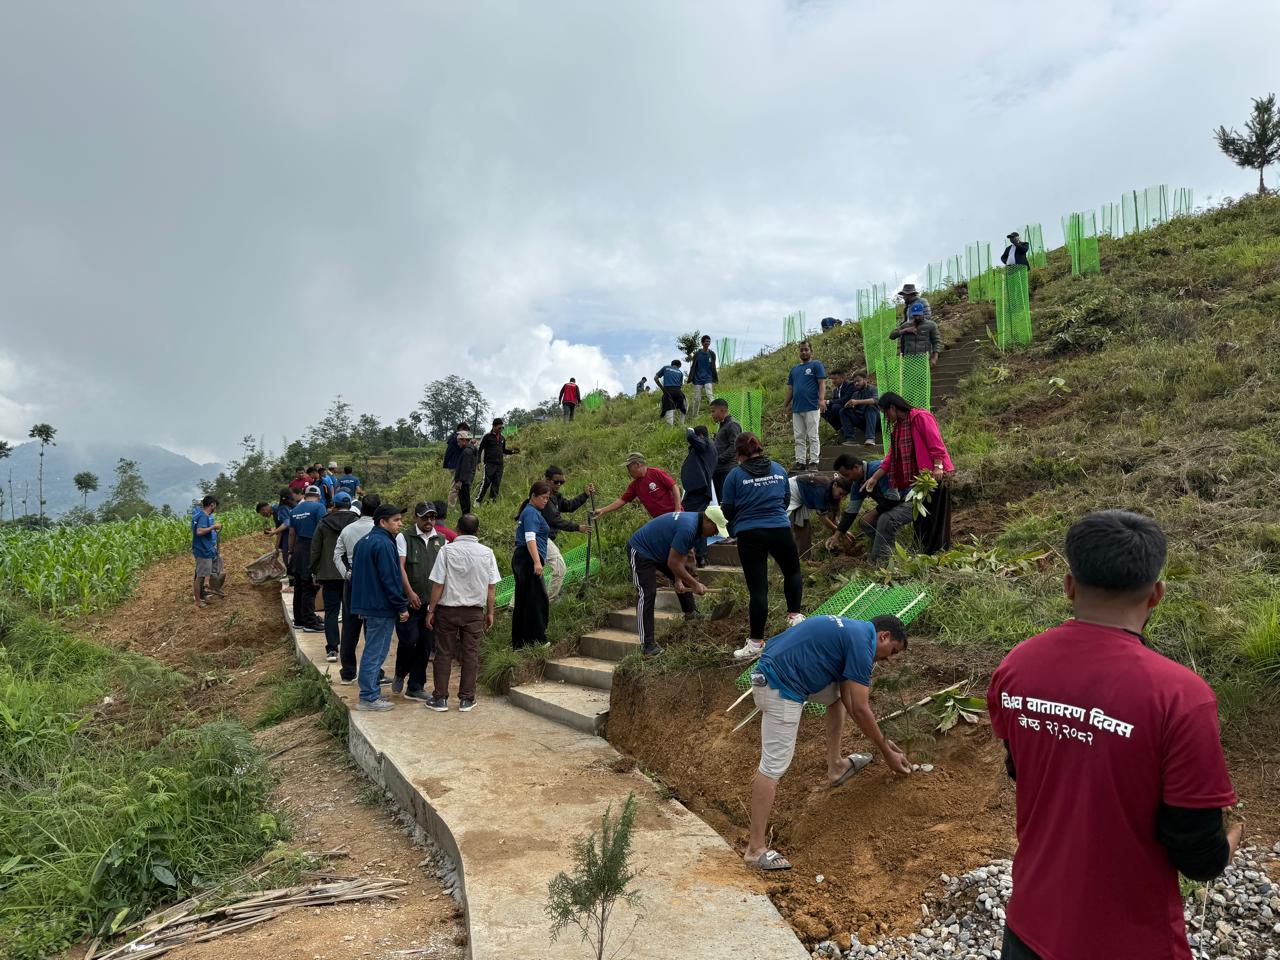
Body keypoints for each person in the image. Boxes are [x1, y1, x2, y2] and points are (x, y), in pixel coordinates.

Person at [987, 511, 1240, 960]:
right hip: (1131, 941)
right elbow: (1198, 855)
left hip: (1028, 926)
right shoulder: (1181, 697)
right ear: (1156, 595)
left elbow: (1020, 767)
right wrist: (1227, 843)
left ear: (1069, 585)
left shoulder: (1016, 668)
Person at [744, 614, 912, 871]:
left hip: (777, 673)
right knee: (773, 766)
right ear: (884, 636)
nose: (887, 659)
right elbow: (861, 709)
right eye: (891, 651)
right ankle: (755, 849)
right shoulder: (862, 643)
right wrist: (886, 751)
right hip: (781, 686)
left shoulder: (853, 631)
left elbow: (846, 696)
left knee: (833, 697)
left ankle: (836, 766)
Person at [721, 433, 805, 661]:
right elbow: (786, 500)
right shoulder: (778, 469)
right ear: (759, 447)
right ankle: (794, 617)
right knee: (792, 571)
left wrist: (744, 516)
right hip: (780, 528)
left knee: (758, 589)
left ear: (739, 453)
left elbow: (727, 511)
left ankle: (756, 642)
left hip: (750, 533)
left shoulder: (735, 476)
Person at [861, 392, 954, 558]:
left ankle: (938, 552)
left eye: (885, 413)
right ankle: (923, 551)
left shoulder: (920, 417)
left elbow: (936, 442)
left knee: (934, 516)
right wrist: (874, 478)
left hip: (933, 476)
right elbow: (891, 457)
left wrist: (938, 466)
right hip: (918, 481)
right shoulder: (898, 428)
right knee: (921, 517)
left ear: (893, 407)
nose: (886, 417)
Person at [627, 507, 728, 656]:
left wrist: (678, 579)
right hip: (642, 550)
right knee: (647, 593)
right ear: (708, 520)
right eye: (715, 528)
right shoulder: (688, 528)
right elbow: (673, 563)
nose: (715, 533)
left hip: (661, 550)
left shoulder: (696, 527)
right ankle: (647, 645)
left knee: (685, 575)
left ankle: (691, 613)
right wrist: (695, 584)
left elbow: (680, 557)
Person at [426, 513, 501, 712]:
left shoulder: (446, 551)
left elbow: (438, 584)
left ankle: (440, 698)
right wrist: (490, 612)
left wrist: (431, 610)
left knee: (443, 653)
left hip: (447, 611)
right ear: (477, 531)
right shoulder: (487, 552)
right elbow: (491, 588)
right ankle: (467, 699)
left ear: (457, 529)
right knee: (470, 654)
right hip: (475, 612)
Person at [349, 504, 410, 711]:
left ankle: (370, 692)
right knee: (375, 651)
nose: (400, 524)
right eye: (396, 520)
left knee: (372, 649)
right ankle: (369, 696)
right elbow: (390, 579)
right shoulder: (384, 544)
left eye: (400, 520)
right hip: (380, 606)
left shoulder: (363, 542)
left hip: (367, 604)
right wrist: (401, 606)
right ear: (382, 522)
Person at [390, 502, 447, 701]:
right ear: (416, 518)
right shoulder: (404, 537)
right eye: (425, 518)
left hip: (430, 603)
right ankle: (400, 672)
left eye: (432, 518)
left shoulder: (441, 540)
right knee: (408, 640)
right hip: (408, 601)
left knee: (425, 645)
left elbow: (443, 572)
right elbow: (401, 567)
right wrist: (410, 592)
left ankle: (415, 686)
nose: (429, 521)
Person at [334, 492, 380, 683]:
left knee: (350, 628)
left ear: (360, 509)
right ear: (378, 509)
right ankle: (373, 673)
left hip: (352, 581)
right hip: (374, 582)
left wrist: (347, 574)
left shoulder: (348, 530)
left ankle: (348, 672)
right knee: (373, 629)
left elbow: (337, 555)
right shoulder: (380, 530)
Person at [311, 490, 360, 662]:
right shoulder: (356, 522)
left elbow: (315, 548)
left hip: (329, 574)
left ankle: (332, 649)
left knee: (331, 612)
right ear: (349, 505)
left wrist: (314, 569)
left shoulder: (324, 523)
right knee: (349, 614)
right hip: (351, 574)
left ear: (333, 505)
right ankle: (348, 650)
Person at [827, 453, 901, 557]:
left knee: (884, 519)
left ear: (856, 467)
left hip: (908, 500)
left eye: (847, 475)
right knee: (865, 522)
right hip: (892, 504)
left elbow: (894, 498)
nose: (847, 479)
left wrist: (875, 512)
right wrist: (837, 535)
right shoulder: (857, 483)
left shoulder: (877, 470)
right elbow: (851, 512)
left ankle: (881, 556)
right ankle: (885, 550)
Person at [540, 466, 595, 601]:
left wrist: (585, 495)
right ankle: (548, 601)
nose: (559, 485)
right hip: (540, 537)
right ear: (547, 480)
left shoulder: (554, 496)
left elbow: (569, 506)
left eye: (562, 482)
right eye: (556, 482)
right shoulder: (544, 497)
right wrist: (577, 527)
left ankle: (514, 605)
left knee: (530, 572)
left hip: (539, 538)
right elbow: (555, 520)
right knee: (559, 568)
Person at [511, 481, 553, 649]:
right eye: (543, 497)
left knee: (524, 600)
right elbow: (530, 538)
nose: (545, 501)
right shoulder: (531, 513)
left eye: (548, 498)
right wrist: (536, 561)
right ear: (533, 496)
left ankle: (520, 642)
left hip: (523, 559)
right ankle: (537, 639)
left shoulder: (531, 512)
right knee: (537, 600)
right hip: (528, 559)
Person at [593, 453, 679, 520]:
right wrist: (602, 510)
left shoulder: (656, 473)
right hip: (660, 521)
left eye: (629, 467)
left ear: (637, 464)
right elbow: (622, 500)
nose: (628, 471)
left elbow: (674, 486)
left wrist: (677, 509)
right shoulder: (634, 485)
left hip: (675, 515)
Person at [288, 485, 328, 632]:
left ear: (305, 496)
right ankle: (310, 623)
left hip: (298, 549)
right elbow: (322, 530)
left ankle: (299, 620)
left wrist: (290, 552)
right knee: (310, 586)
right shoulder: (319, 508)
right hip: (312, 548)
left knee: (299, 586)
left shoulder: (295, 510)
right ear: (318, 496)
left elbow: (292, 534)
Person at [783, 340, 826, 471]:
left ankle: (814, 461)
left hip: (812, 406)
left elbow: (822, 383)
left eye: (806, 349)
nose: (804, 352)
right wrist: (785, 405)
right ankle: (800, 461)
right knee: (799, 437)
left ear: (811, 351)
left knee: (813, 435)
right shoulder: (794, 369)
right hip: (797, 408)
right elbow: (790, 388)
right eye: (801, 350)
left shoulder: (816, 364)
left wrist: (821, 399)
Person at [680, 426, 717, 566]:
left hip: (698, 490)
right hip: (698, 490)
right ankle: (699, 556)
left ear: (700, 436)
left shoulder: (706, 444)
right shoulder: (706, 448)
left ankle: (699, 556)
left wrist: (690, 431)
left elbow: (691, 437)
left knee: (694, 522)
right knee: (697, 521)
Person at [888, 284, 940, 368]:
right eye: (903, 295)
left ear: (910, 294)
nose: (903, 297)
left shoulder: (922, 302)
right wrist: (906, 329)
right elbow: (893, 334)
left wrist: (916, 327)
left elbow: (936, 340)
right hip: (909, 353)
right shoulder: (908, 307)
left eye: (904, 295)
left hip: (923, 354)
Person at [476, 418, 519, 504]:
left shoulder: (502, 438)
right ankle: (478, 501)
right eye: (499, 428)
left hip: (499, 465)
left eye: (502, 428)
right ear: (494, 426)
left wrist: (512, 452)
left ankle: (492, 502)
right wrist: (478, 462)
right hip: (489, 464)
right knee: (486, 483)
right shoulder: (487, 436)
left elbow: (503, 450)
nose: (501, 429)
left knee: (496, 484)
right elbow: (480, 449)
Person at [191, 495, 223, 608]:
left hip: (205, 548)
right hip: (202, 550)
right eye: (215, 506)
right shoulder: (203, 516)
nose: (215, 508)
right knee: (200, 576)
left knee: (202, 574)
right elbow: (199, 532)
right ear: (212, 504)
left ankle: (204, 592)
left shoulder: (200, 514)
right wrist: (213, 527)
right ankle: (198, 601)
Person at [710, 398, 742, 500]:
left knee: (725, 501)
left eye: (713, 411)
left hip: (727, 469)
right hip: (719, 469)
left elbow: (735, 446)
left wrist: (718, 458)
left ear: (723, 410)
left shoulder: (732, 425)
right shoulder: (723, 426)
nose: (712, 414)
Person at [840, 372, 880, 447]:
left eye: (858, 381)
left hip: (876, 421)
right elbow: (853, 405)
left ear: (865, 380)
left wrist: (857, 402)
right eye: (854, 382)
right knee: (843, 411)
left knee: (870, 408)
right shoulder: (856, 394)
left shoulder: (873, 389)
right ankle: (851, 439)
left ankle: (870, 438)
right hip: (863, 422)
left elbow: (875, 400)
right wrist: (849, 405)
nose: (856, 383)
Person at [821, 369, 857, 441]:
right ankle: (840, 428)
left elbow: (845, 400)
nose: (833, 381)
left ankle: (847, 428)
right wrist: (824, 404)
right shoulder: (835, 391)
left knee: (835, 407)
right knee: (824, 410)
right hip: (840, 410)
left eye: (835, 379)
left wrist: (827, 402)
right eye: (832, 379)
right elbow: (835, 401)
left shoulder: (849, 385)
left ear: (842, 378)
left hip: (851, 410)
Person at [688, 335, 719, 418]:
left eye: (709, 341)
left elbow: (713, 366)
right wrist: (691, 378)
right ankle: (695, 416)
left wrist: (714, 377)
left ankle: (715, 414)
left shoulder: (711, 354)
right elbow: (693, 366)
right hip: (697, 379)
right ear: (702, 343)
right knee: (697, 399)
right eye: (706, 341)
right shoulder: (697, 354)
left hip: (708, 378)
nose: (708, 343)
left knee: (710, 395)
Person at [452, 430, 479, 514]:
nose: (458, 443)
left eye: (458, 441)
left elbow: (465, 468)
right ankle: (466, 516)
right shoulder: (471, 450)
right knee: (465, 500)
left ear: (464, 440)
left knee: (464, 501)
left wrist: (460, 481)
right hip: (467, 480)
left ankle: (466, 517)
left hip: (464, 481)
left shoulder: (467, 452)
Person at [655, 358, 687, 426]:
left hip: (667, 391)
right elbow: (680, 385)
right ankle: (681, 424)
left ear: (672, 364)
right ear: (679, 366)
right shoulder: (680, 372)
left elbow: (655, 378)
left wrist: (662, 388)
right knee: (685, 406)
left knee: (669, 410)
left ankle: (670, 429)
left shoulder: (665, 368)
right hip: (678, 392)